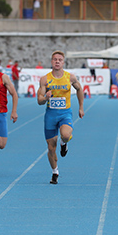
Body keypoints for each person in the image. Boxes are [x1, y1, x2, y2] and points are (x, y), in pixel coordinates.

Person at [37, 51, 84, 184]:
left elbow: (80, 89)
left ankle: (64, 143)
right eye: (55, 59)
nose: (57, 61)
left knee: (65, 135)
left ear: (63, 62)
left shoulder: (70, 77)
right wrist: (45, 97)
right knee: (51, 147)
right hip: (51, 116)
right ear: (51, 62)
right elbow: (39, 101)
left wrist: (81, 107)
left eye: (60, 60)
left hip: (65, 114)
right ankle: (55, 172)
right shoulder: (45, 80)